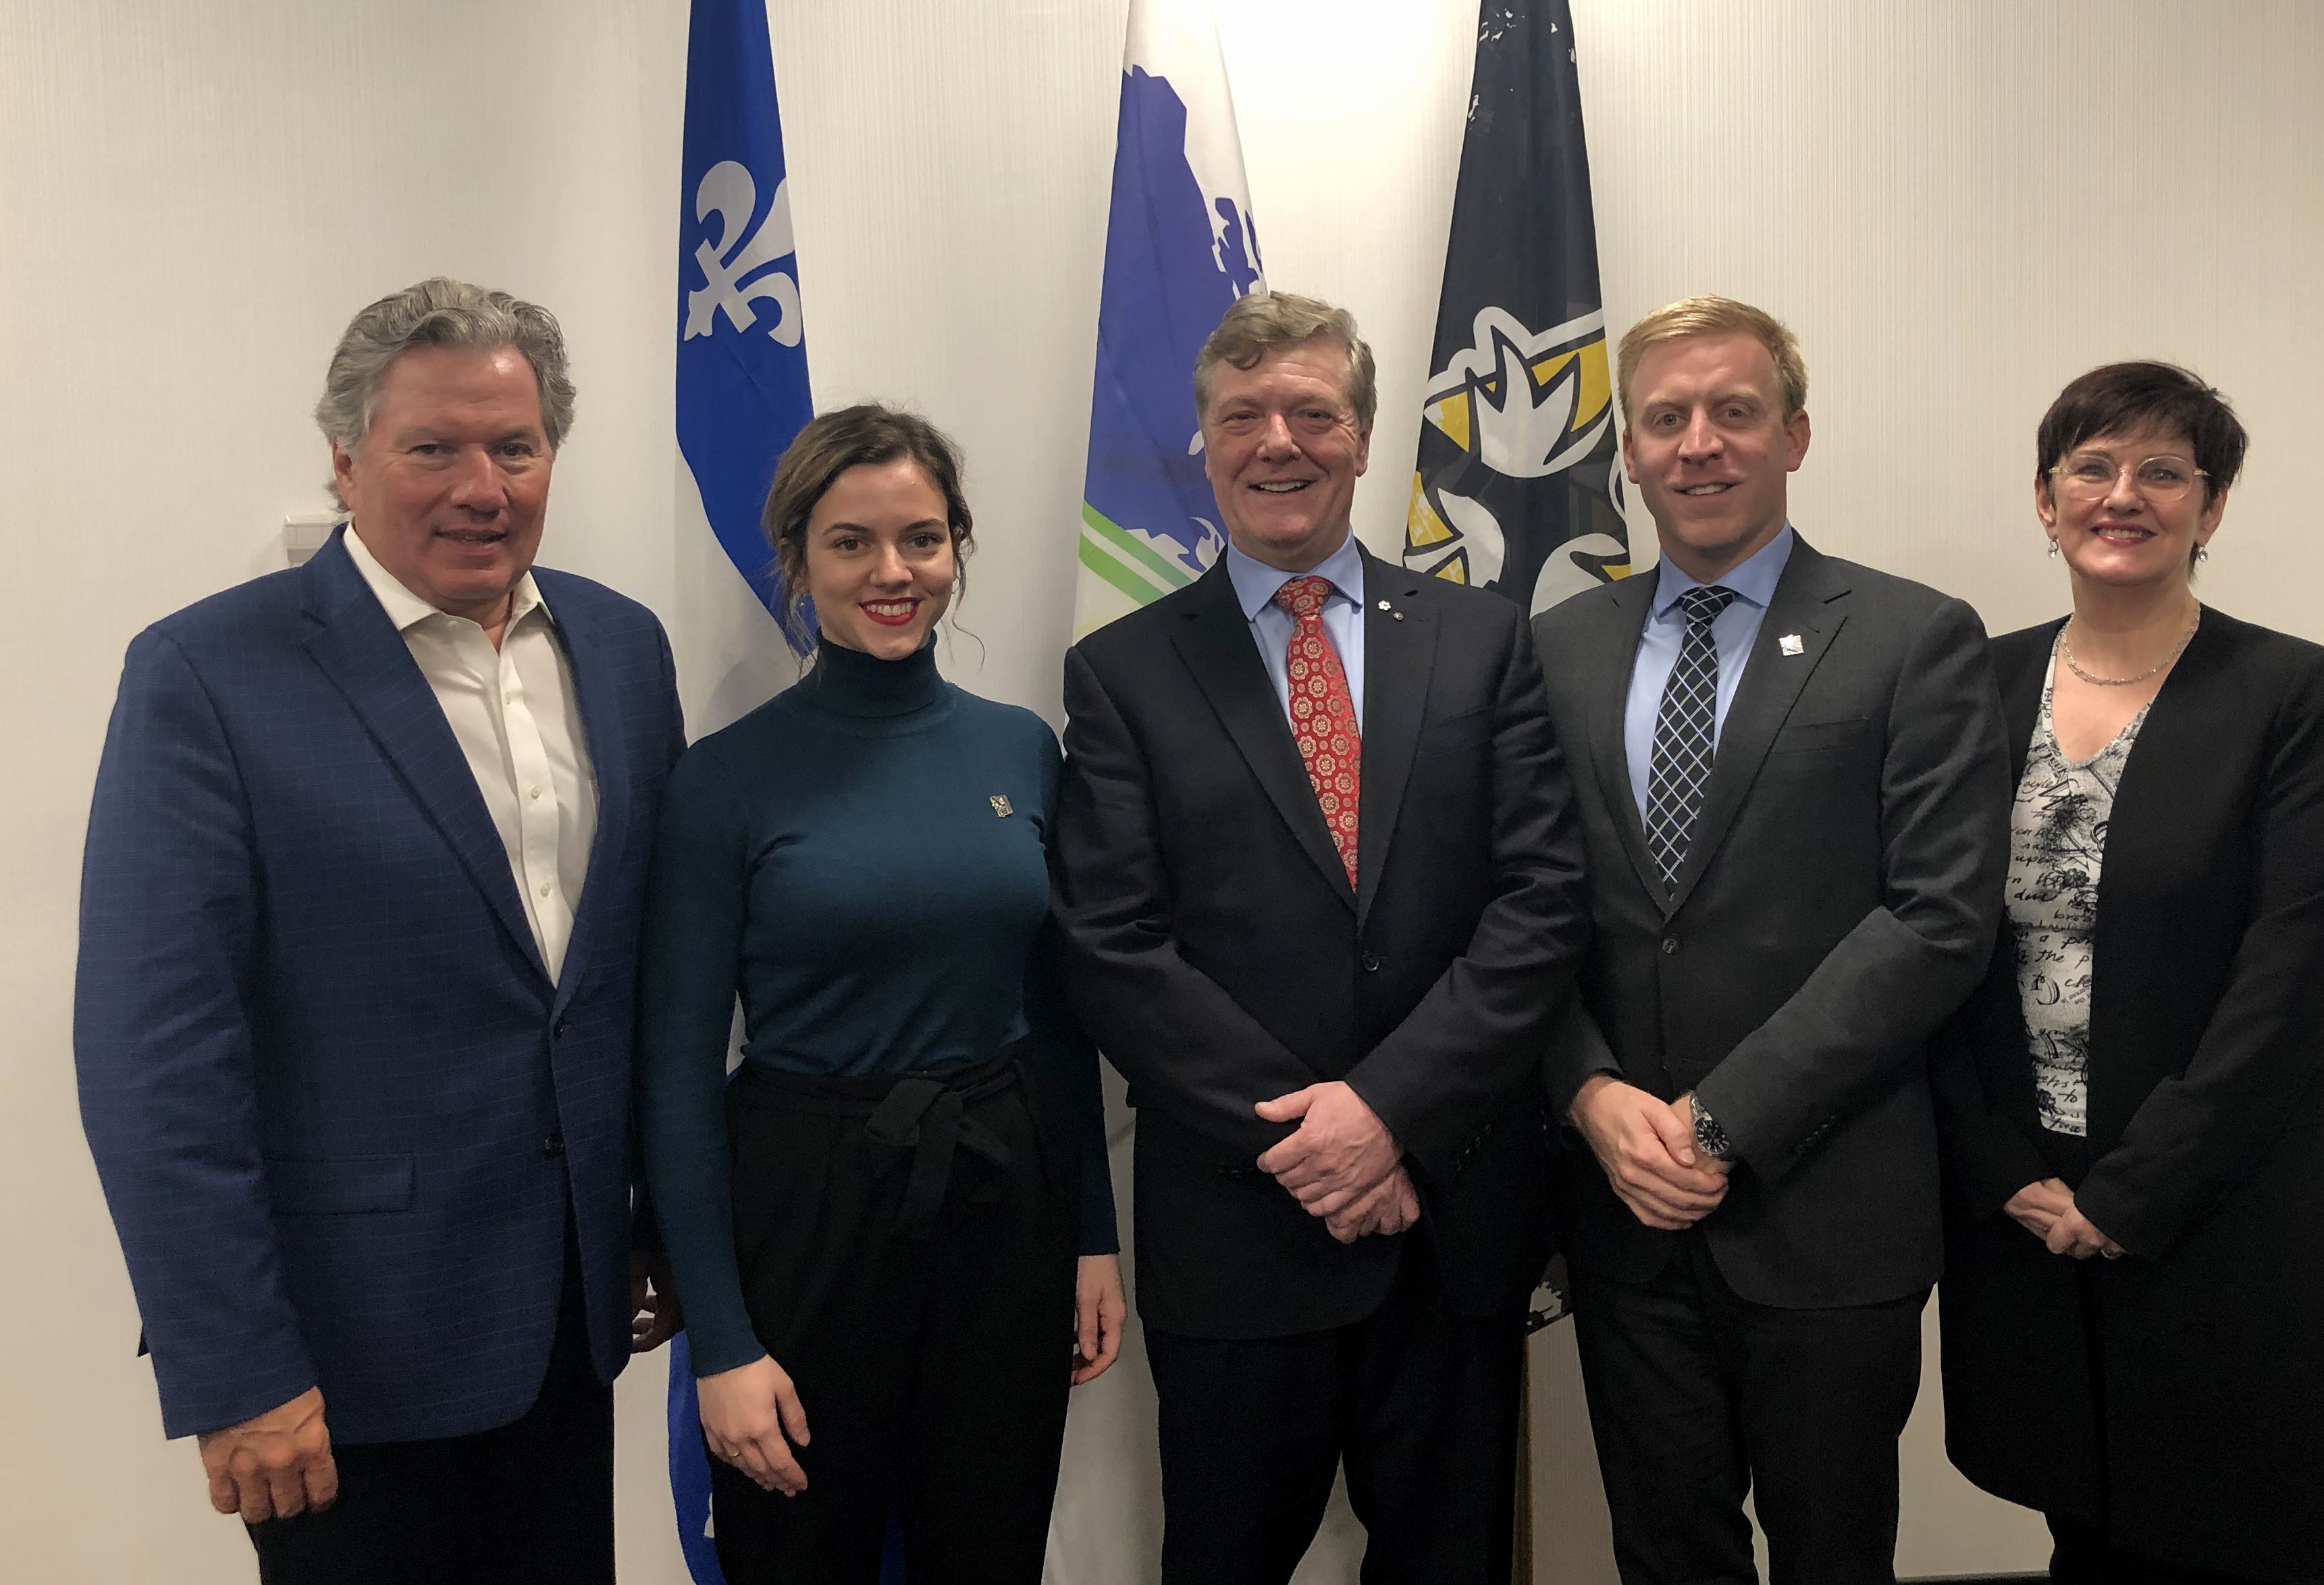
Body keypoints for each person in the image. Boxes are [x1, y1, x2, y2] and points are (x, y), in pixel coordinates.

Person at [74, 277, 687, 1584]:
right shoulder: (206, 675)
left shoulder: (623, 649)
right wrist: (234, 1364)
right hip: (342, 1368)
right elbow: (155, 1055)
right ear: (346, 460)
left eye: (514, 447)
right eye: (433, 448)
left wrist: (656, 1222)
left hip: (571, 1330)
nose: (483, 484)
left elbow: (620, 982)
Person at [1053, 290, 1588, 1585]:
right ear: (1203, 443)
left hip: (1447, 1220)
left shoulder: (1482, 637)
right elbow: (1115, 945)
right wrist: (1318, 1141)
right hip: (1242, 1232)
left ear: (1360, 439)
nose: (1276, 440)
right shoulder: (1122, 671)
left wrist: (1388, 1110)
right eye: (1242, 415)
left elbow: (1541, 898)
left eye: (1311, 411)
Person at [1531, 295, 2006, 1585]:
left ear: (1793, 434)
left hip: (1828, 1203)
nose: (1698, 444)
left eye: (1733, 412)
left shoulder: (1913, 637)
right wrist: (1586, 1092)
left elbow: (1937, 915)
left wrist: (1721, 1117)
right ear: (1625, 452)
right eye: (1665, 418)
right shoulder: (1555, 650)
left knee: (1830, 1555)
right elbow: (1519, 913)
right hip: (1624, 1201)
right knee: (1666, 1551)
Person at [639, 403, 1122, 1585]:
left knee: (989, 1544)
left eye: (920, 537)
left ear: (957, 545)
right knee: (801, 1551)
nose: (891, 571)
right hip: (806, 1209)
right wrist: (723, 1339)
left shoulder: (1022, 750)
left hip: (1006, 1194)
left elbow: (1058, 1016)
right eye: (851, 542)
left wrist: (1093, 1238)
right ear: (797, 561)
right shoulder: (724, 780)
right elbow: (676, 1074)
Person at [1931, 362, 2324, 1583]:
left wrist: (2132, 1195)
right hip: (2029, 1206)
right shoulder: (1971, 683)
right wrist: (2000, 1166)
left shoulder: (2288, 691)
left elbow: (2289, 978)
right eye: (2091, 466)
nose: (2122, 495)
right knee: (2084, 1522)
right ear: (2044, 498)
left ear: (2210, 506)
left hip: (2219, 1203)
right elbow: (1933, 942)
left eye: (2162, 471)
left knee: (2246, 1532)